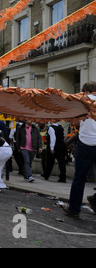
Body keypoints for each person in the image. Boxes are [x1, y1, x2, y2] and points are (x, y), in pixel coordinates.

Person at [64, 81, 96, 218]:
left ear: (86, 91)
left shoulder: (82, 101)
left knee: (79, 178)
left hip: (85, 144)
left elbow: (74, 122)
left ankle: (74, 209)